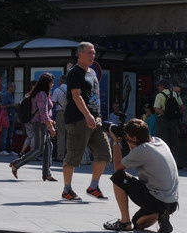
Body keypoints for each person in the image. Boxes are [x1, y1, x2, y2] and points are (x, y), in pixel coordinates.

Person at [103, 118, 179, 233]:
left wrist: (116, 141)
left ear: (134, 138)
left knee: (118, 177)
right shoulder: (158, 141)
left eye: (128, 136)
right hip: (172, 202)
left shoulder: (142, 150)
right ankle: (161, 214)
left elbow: (118, 167)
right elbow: (135, 153)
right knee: (137, 222)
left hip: (157, 199)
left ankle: (125, 222)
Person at [62, 42, 112, 201]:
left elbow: (93, 96)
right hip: (78, 119)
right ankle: (67, 190)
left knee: (104, 153)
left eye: (94, 53)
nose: (93, 56)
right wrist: (88, 116)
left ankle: (93, 186)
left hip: (95, 119)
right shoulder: (74, 72)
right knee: (73, 156)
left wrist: (96, 116)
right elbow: (76, 96)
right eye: (90, 53)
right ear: (80, 54)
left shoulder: (92, 72)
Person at [9, 73, 56, 181]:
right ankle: (16, 164)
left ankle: (47, 174)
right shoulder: (41, 94)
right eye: (51, 82)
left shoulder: (43, 93)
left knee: (48, 147)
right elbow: (43, 113)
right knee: (39, 149)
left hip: (43, 123)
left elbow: (45, 112)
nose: (53, 84)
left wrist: (50, 121)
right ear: (47, 83)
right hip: (39, 124)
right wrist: (51, 127)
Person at [154, 81, 183, 167]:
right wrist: (175, 115)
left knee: (164, 142)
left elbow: (156, 109)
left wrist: (166, 114)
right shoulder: (175, 94)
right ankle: (175, 163)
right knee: (174, 142)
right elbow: (182, 107)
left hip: (163, 120)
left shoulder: (159, 95)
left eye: (158, 86)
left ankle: (165, 163)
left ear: (162, 86)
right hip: (174, 121)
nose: (158, 88)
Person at [51, 75, 67, 162]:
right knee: (69, 135)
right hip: (69, 114)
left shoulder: (57, 90)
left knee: (61, 135)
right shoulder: (71, 89)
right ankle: (68, 155)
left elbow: (52, 103)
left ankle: (60, 156)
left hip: (60, 113)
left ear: (61, 81)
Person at [0, 82, 18, 156]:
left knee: (10, 134)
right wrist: (12, 105)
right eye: (14, 87)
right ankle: (3, 149)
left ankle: (9, 150)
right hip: (6, 117)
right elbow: (2, 106)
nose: (15, 89)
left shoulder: (11, 95)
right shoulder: (5, 95)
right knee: (5, 134)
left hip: (12, 117)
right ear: (9, 87)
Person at [20, 80, 37, 157]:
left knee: (29, 136)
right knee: (33, 136)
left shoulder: (26, 95)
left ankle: (22, 152)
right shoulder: (36, 95)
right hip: (33, 118)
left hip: (26, 118)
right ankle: (32, 154)